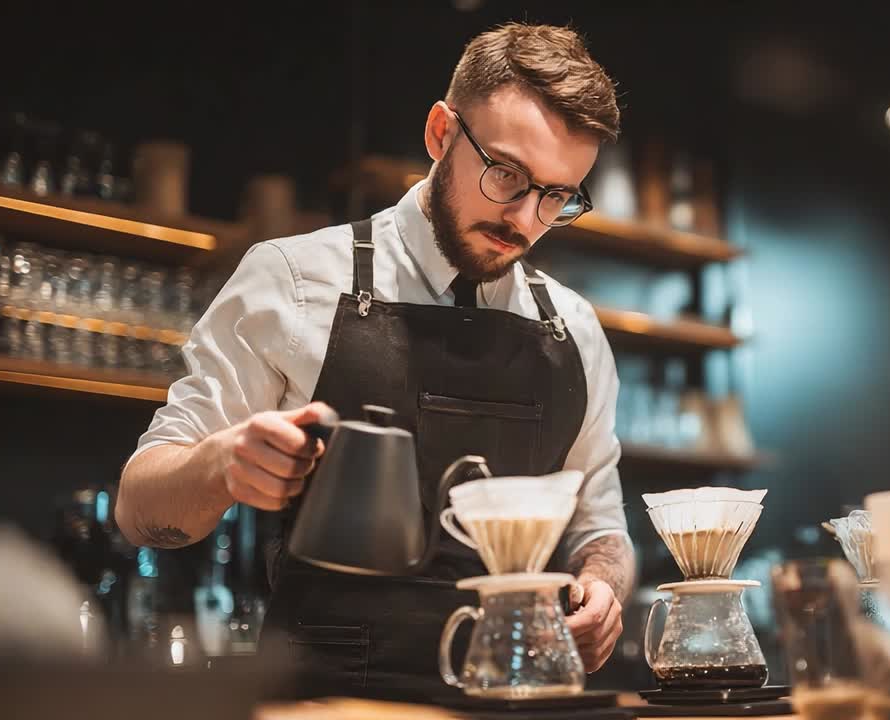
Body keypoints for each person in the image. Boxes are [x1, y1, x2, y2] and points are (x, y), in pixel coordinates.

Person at [115, 22, 633, 699]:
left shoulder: (575, 329)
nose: (524, 219)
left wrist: (603, 586)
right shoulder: (293, 281)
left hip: (520, 700)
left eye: (557, 196)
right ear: (441, 133)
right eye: (506, 173)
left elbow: (599, 526)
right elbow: (137, 509)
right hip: (327, 703)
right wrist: (221, 465)